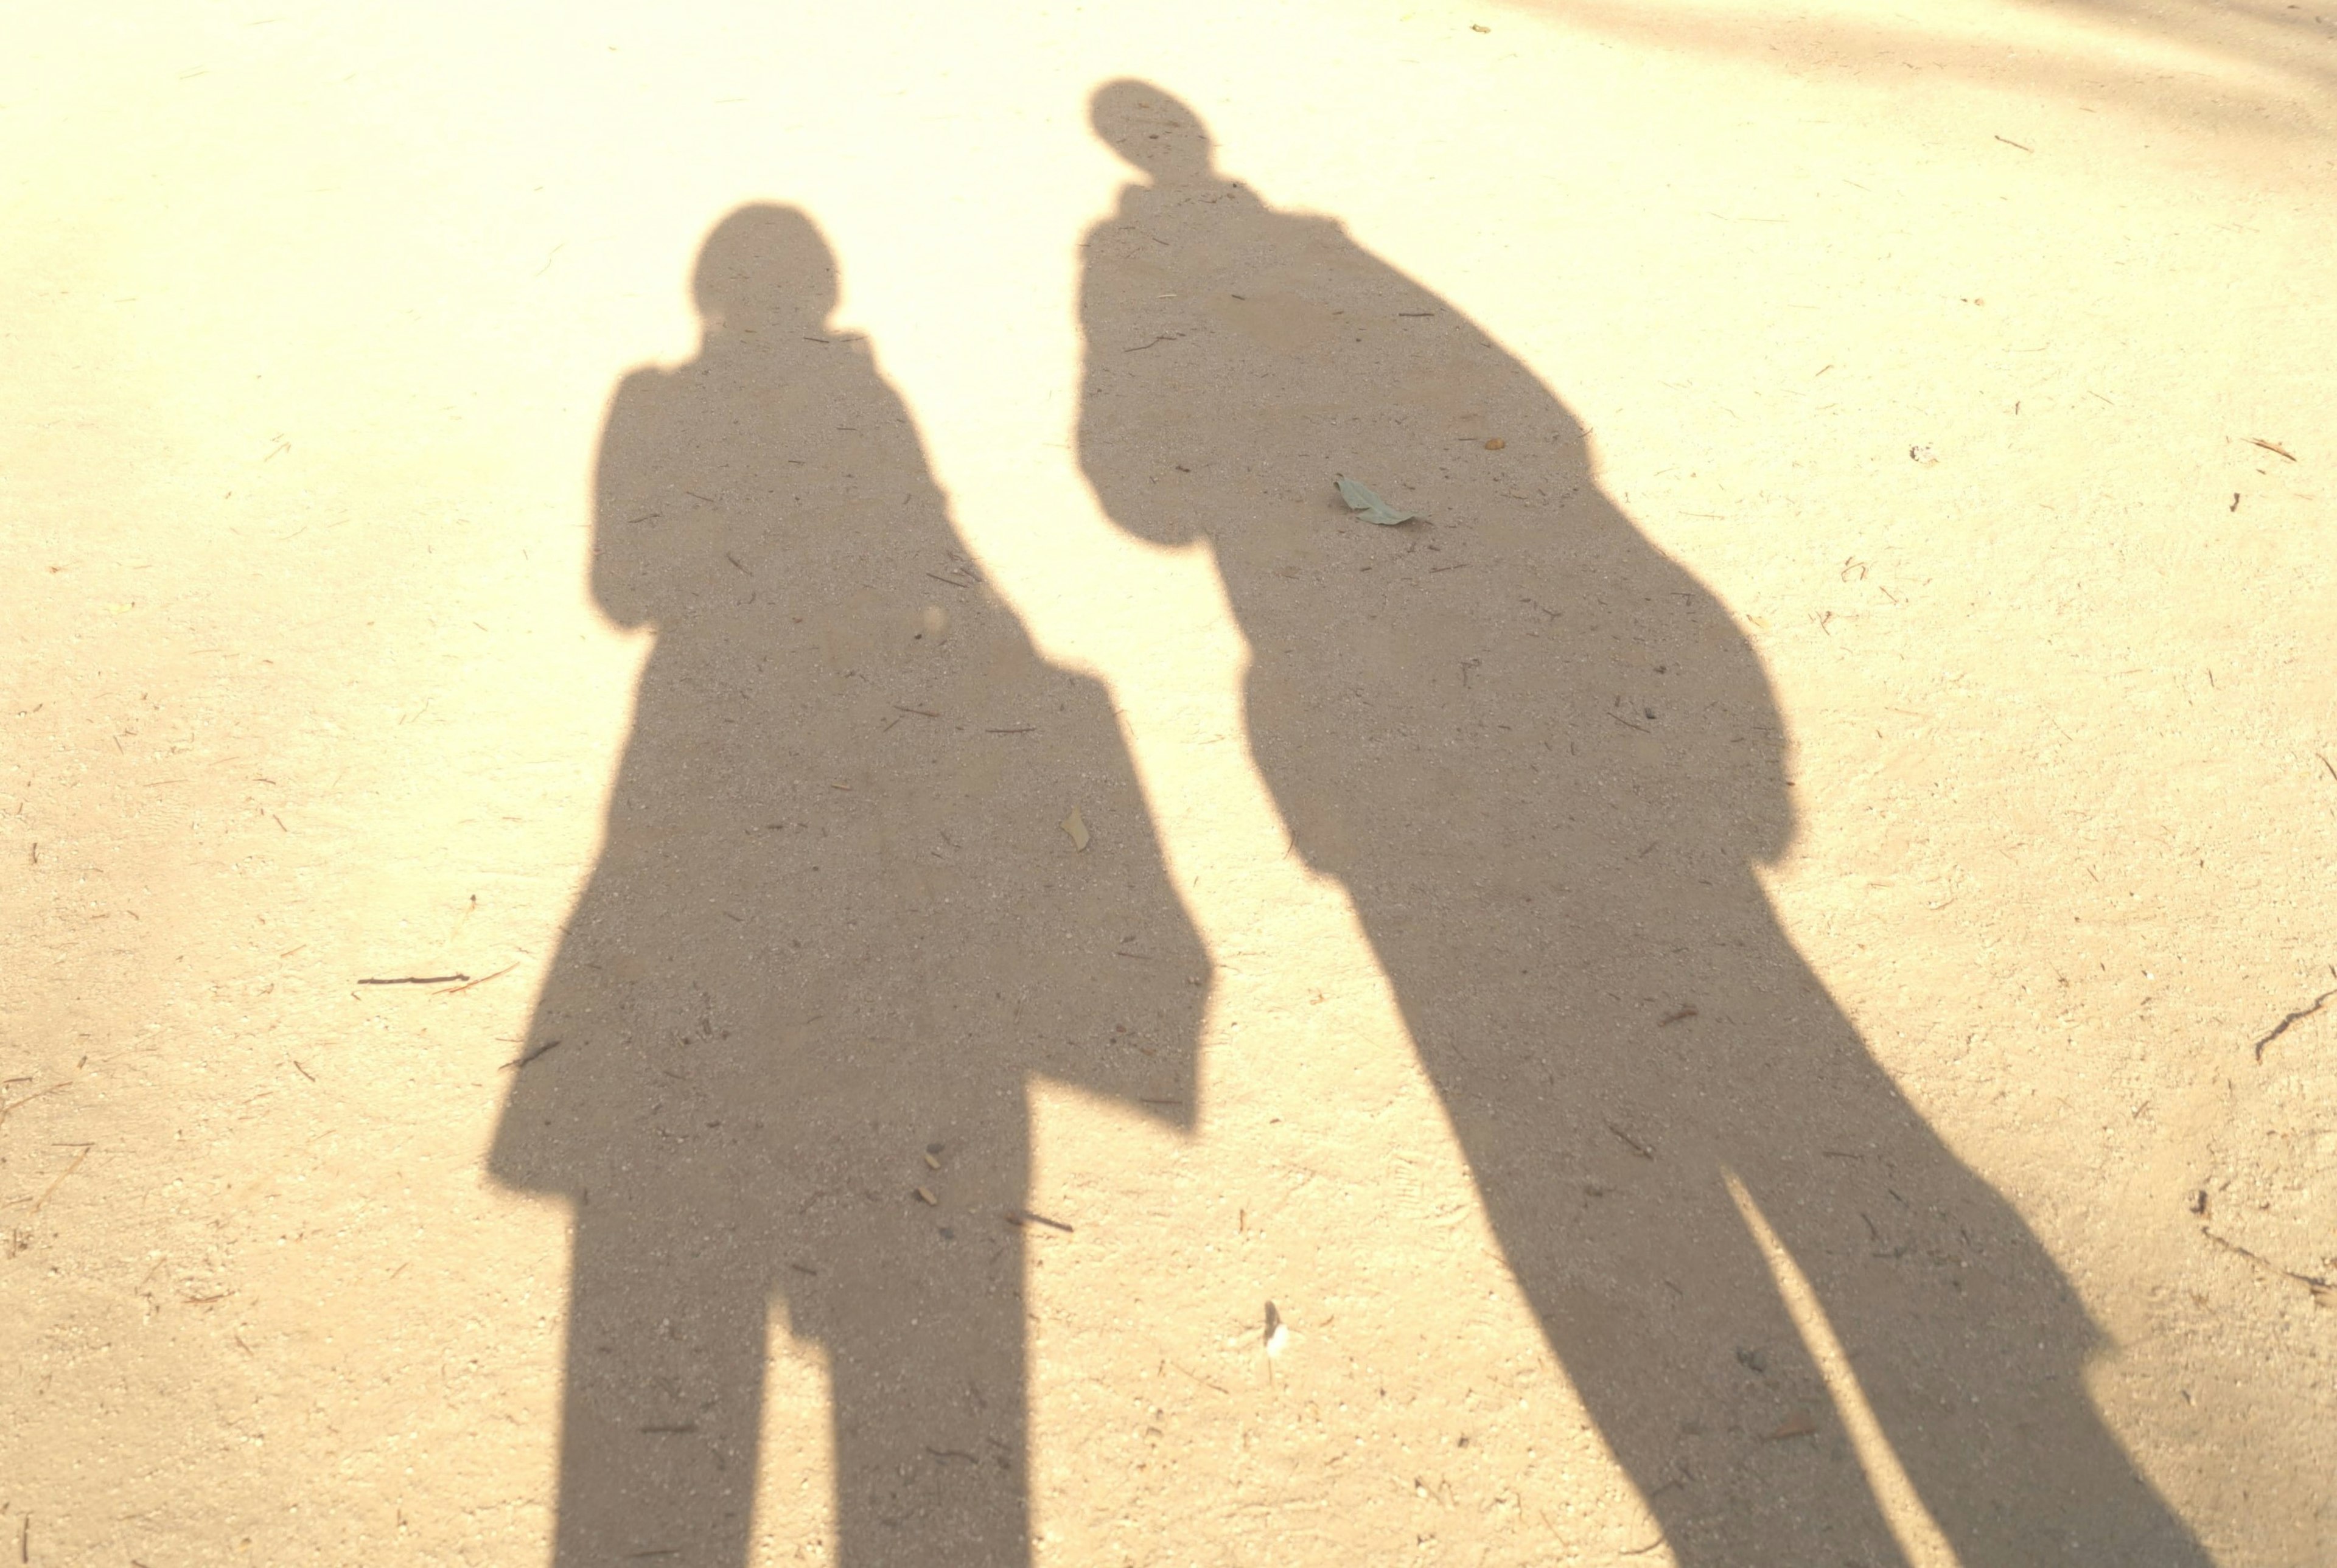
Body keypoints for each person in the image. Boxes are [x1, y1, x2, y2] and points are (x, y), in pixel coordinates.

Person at [1075, 81, 2207, 1566]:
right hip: (1605, 801)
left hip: (1374, 768)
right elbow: (1552, 433)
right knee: (1817, 1091)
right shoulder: (1334, 256)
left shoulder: (1127, 271)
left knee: (1557, 1135)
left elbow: (1135, 499)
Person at [492, 203, 1206, 1567]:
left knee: (666, 1264)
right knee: (931, 1361)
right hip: (796, 799)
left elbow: (620, 590)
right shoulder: (862, 394)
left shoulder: (663, 401)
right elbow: (924, 551)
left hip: (688, 776)